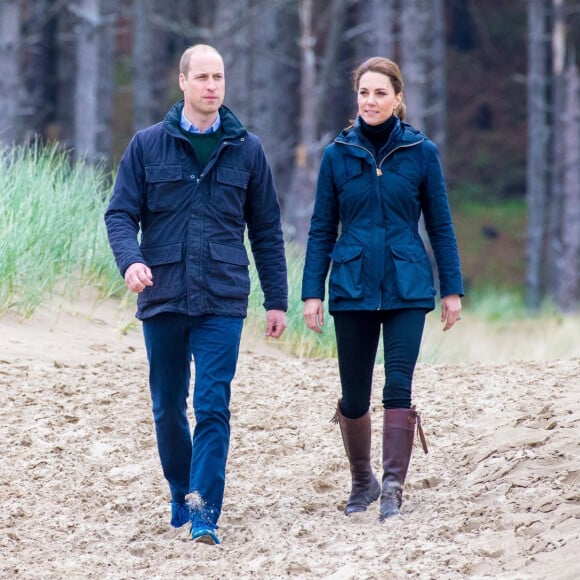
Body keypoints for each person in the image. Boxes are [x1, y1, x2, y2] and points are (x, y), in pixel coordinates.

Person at [105, 44, 288, 545]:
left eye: (219, 77)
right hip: (162, 293)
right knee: (167, 406)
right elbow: (119, 214)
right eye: (202, 77)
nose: (212, 86)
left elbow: (267, 230)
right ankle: (180, 489)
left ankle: (205, 511)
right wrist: (131, 261)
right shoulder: (146, 145)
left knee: (212, 406)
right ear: (182, 82)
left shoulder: (247, 149)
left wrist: (276, 300)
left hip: (223, 298)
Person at [301, 57, 463, 522]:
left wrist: (451, 289)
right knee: (353, 395)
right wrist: (313, 290)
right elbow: (319, 229)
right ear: (356, 98)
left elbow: (441, 225)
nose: (370, 101)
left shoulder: (421, 152)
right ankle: (362, 481)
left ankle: (392, 486)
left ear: (397, 98)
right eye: (364, 93)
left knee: (397, 384)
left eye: (380, 93)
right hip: (351, 285)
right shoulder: (337, 154)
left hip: (407, 285)